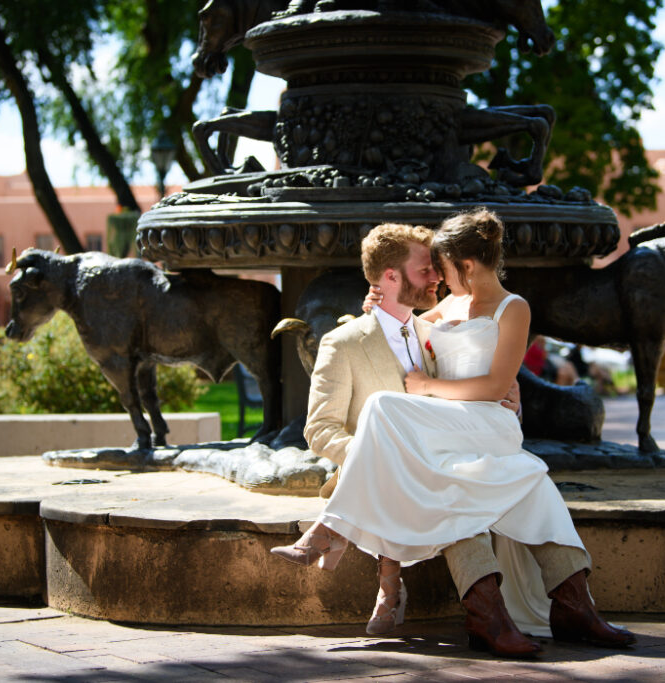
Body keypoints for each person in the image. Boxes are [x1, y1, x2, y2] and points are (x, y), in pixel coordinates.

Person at [270, 211, 635, 655]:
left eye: (438, 269)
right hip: (437, 453)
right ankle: (559, 611)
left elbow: (488, 375)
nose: (435, 281)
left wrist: (450, 386)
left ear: (463, 266)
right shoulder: (372, 333)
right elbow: (323, 424)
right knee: (531, 484)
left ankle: (331, 530)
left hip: (482, 424)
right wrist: (378, 302)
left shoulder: (502, 307)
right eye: (428, 271)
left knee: (387, 407)